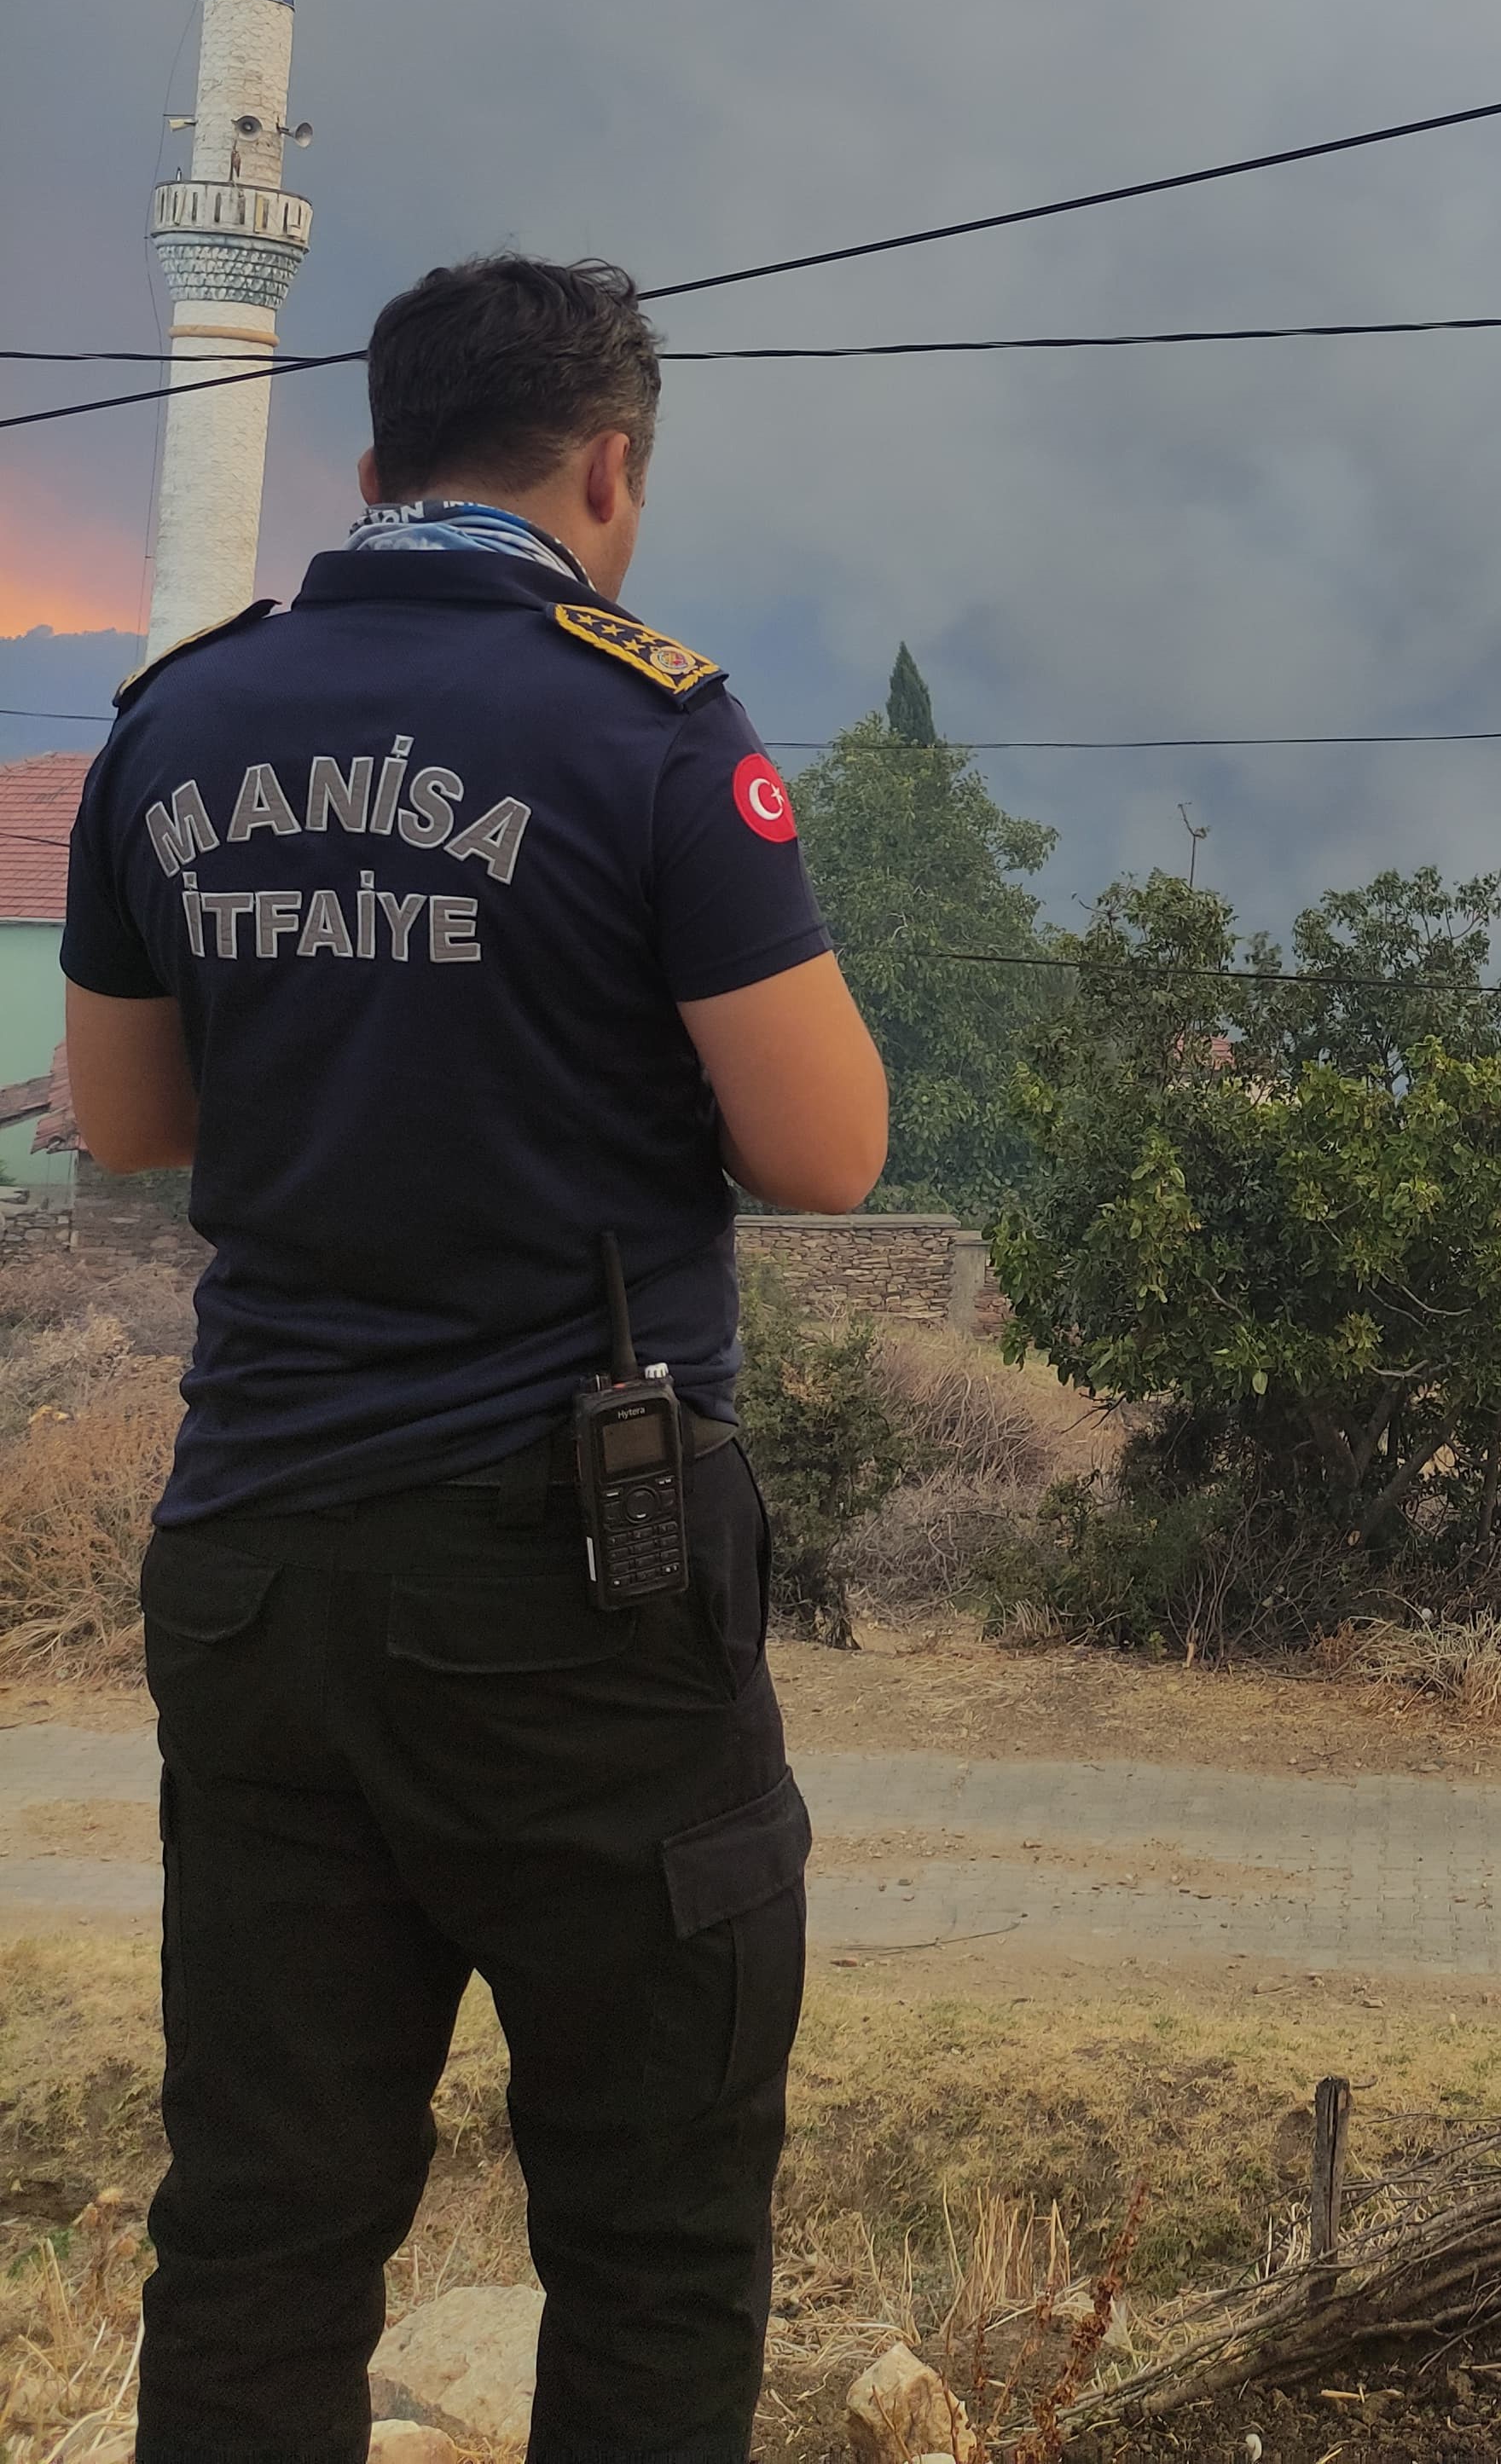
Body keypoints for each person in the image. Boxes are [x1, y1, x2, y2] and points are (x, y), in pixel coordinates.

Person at [61, 252, 889, 2464]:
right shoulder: (644, 725)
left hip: (256, 1571)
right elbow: (827, 1152)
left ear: (368, 462)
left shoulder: (181, 715)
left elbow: (130, 1130)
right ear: (610, 468)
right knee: (652, 2225)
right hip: (573, 1597)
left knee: (261, 2225)